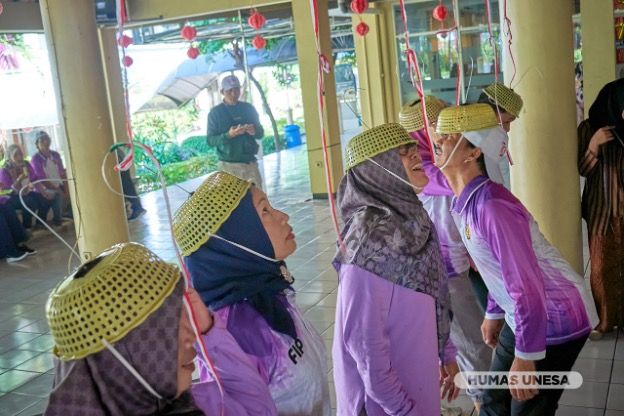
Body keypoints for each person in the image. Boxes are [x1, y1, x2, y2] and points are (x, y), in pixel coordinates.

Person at [435, 103, 598, 416]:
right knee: (495, 398)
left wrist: (527, 355)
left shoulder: (491, 207)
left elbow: (525, 283)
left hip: (556, 315)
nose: (438, 141)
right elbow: (497, 270)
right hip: (524, 311)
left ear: (473, 153)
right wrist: (495, 312)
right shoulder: (468, 201)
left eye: (449, 136)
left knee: (528, 407)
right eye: (440, 135)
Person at [173, 171, 330, 415]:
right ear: (237, 238)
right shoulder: (233, 331)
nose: (283, 216)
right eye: (265, 211)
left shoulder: (270, 291)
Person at [332, 123, 459, 416]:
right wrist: (404, 410)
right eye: (403, 152)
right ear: (378, 170)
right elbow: (365, 348)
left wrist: (445, 351)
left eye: (413, 148)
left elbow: (433, 289)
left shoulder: (413, 220)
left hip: (417, 383)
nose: (417, 155)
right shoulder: (366, 243)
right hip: (385, 405)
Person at [400, 97, 492, 412]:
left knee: (464, 332)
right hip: (440, 267)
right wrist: (463, 154)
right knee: (467, 335)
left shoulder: (435, 156)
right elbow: (453, 182)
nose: (446, 135)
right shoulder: (424, 163)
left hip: (454, 259)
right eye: (441, 129)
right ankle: (483, 400)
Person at [578, 78, 624, 339]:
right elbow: (582, 170)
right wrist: (594, 145)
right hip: (601, 212)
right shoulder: (588, 128)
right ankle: (603, 321)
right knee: (600, 269)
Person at [206, 75, 264, 188]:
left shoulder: (248, 108)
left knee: (258, 199)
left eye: (237, 89)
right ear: (222, 91)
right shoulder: (215, 113)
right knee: (234, 203)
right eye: (229, 91)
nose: (234, 93)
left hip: (250, 163)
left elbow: (261, 133)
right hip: (228, 166)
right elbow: (210, 141)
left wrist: (254, 131)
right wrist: (228, 135)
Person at [478, 82, 523, 190]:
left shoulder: (498, 137)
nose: (507, 129)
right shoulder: (481, 138)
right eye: (505, 122)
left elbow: (502, 172)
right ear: (489, 113)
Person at [0, 144, 51, 228]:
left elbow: (34, 179)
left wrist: (43, 191)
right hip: (11, 197)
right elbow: (8, 190)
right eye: (16, 155)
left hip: (25, 192)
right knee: (30, 202)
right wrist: (19, 179)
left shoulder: (25, 164)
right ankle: (26, 227)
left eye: (20, 154)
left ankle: (40, 223)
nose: (19, 157)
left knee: (44, 198)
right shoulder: (4, 170)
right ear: (10, 156)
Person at [30, 131, 70, 225]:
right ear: (37, 144)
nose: (45, 142)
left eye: (47, 139)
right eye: (42, 140)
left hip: (58, 183)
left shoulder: (55, 155)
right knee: (56, 195)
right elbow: (41, 179)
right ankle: (57, 220)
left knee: (68, 193)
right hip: (43, 188)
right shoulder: (36, 159)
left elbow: (62, 173)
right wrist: (58, 190)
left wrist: (66, 188)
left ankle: (65, 215)